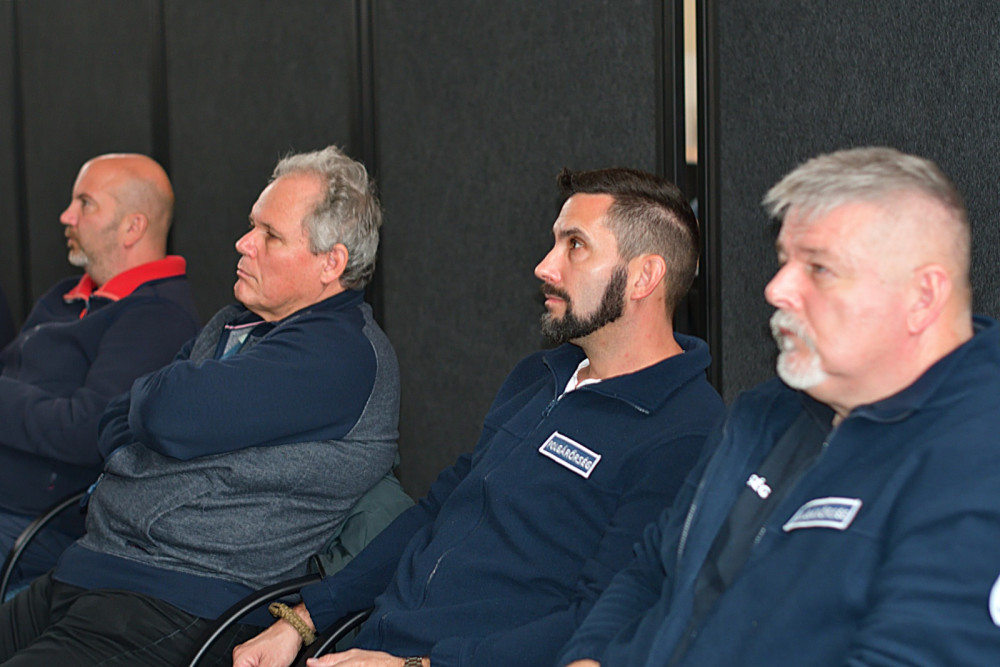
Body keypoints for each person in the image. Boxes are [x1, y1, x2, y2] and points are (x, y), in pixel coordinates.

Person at [233, 166, 724, 667]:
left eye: (575, 245)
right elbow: (436, 512)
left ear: (644, 277)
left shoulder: (685, 431)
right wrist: (303, 619)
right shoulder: (539, 376)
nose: (545, 266)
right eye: (555, 242)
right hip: (377, 644)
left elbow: (602, 621)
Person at [558, 147, 1000, 667]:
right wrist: (588, 656)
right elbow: (654, 565)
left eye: (819, 267)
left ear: (923, 297)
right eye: (784, 261)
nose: (776, 289)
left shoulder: (977, 452)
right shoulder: (762, 413)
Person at [0, 145, 401, 665]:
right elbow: (116, 417)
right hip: (98, 566)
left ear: (332, 263)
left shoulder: (339, 354)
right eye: (252, 225)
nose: (243, 243)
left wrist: (159, 425)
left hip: (179, 604)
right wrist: (164, 423)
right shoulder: (235, 321)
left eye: (270, 235)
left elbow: (165, 412)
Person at [0, 153, 199, 579]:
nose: (66, 216)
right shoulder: (64, 295)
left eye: (85, 203)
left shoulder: (157, 317)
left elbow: (86, 431)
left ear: (133, 226)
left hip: (42, 522)